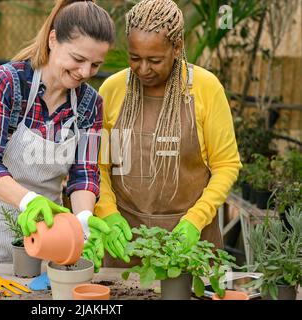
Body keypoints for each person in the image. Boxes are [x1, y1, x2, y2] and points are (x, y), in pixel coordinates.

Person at [0, 0, 116, 272]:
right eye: (78, 59)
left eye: (95, 65)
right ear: (53, 39)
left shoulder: (91, 104)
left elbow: (84, 174)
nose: (85, 73)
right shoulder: (7, 83)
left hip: (49, 233)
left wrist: (84, 219)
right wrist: (29, 201)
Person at [94, 0, 242, 268]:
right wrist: (106, 213)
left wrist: (195, 221)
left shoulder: (205, 89)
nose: (143, 69)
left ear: (177, 48)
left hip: (190, 245)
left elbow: (227, 165)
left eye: (154, 60)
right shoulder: (113, 89)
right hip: (124, 243)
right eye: (134, 58)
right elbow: (98, 165)